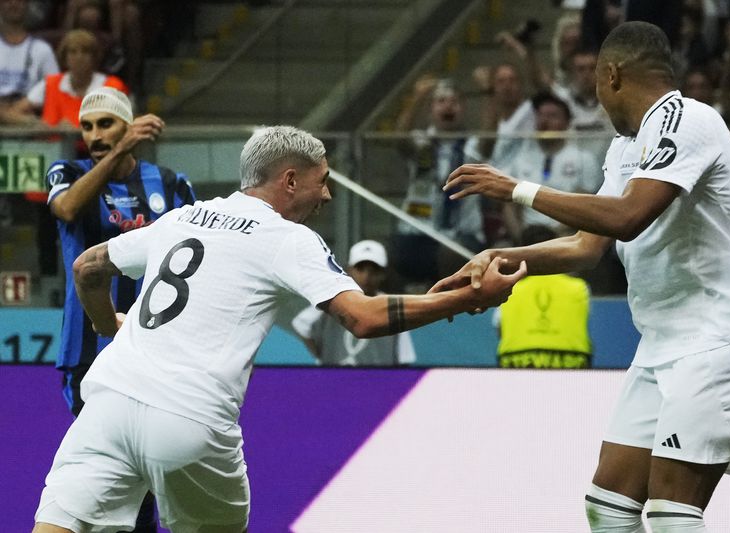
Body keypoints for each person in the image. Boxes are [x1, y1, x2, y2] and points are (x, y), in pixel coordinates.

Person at [31, 125, 526, 533]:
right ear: (290, 180)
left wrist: (108, 327)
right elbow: (363, 318)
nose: (328, 194)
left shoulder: (183, 217)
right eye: (323, 180)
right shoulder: (287, 238)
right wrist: (466, 298)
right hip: (189, 417)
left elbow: (88, 267)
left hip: (109, 402)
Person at [434, 22, 730, 531]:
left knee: (671, 513)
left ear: (612, 75)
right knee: (609, 507)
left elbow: (628, 216)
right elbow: (586, 245)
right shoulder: (626, 147)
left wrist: (516, 189)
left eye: (597, 88)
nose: (598, 102)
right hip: (663, 343)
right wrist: (501, 254)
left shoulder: (689, 119)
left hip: (725, 338)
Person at [46, 86, 195, 532]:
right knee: (100, 467)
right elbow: (68, 208)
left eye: (106, 124)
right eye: (87, 126)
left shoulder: (171, 184)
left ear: (128, 125)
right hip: (89, 348)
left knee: (148, 472)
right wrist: (119, 152)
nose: (95, 134)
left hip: (155, 349)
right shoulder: (67, 173)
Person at [393, 78, 485, 287]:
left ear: (464, 109)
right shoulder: (421, 141)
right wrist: (417, 97)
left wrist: (487, 93)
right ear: (430, 111)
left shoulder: (473, 144)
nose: (448, 106)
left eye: (454, 101)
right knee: (394, 255)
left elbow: (489, 141)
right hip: (419, 228)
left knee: (451, 254)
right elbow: (399, 139)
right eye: (441, 101)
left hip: (462, 232)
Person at [292, 239, 417, 366]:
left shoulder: (392, 308)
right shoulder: (333, 300)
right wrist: (322, 356)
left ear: (383, 274)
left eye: (374, 270)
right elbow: (301, 324)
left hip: (378, 382)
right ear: (349, 270)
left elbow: (405, 358)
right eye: (360, 268)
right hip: (335, 380)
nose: (366, 276)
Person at [502, 92, 602, 243]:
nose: (544, 121)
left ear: (567, 122)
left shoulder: (583, 159)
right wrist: (521, 236)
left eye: (552, 116)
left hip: (567, 236)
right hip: (527, 236)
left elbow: (586, 207)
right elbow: (509, 206)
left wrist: (555, 236)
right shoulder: (521, 159)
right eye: (540, 115)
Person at [493, 224, 592, 369]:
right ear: (558, 252)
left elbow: (499, 328)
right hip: (572, 364)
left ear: (518, 253)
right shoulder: (580, 287)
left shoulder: (508, 288)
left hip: (517, 364)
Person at [14, 29, 128, 126]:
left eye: (85, 52)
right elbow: (14, 112)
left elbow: (121, 124)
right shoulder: (51, 84)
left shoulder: (112, 86)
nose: (79, 57)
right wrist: (40, 124)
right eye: (73, 52)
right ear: (64, 58)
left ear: (95, 57)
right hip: (54, 150)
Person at [0, 0, 59, 124]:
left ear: (27, 5)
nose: (13, 3)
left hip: (28, 120)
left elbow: (55, 91)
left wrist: (24, 106)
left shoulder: (42, 50)